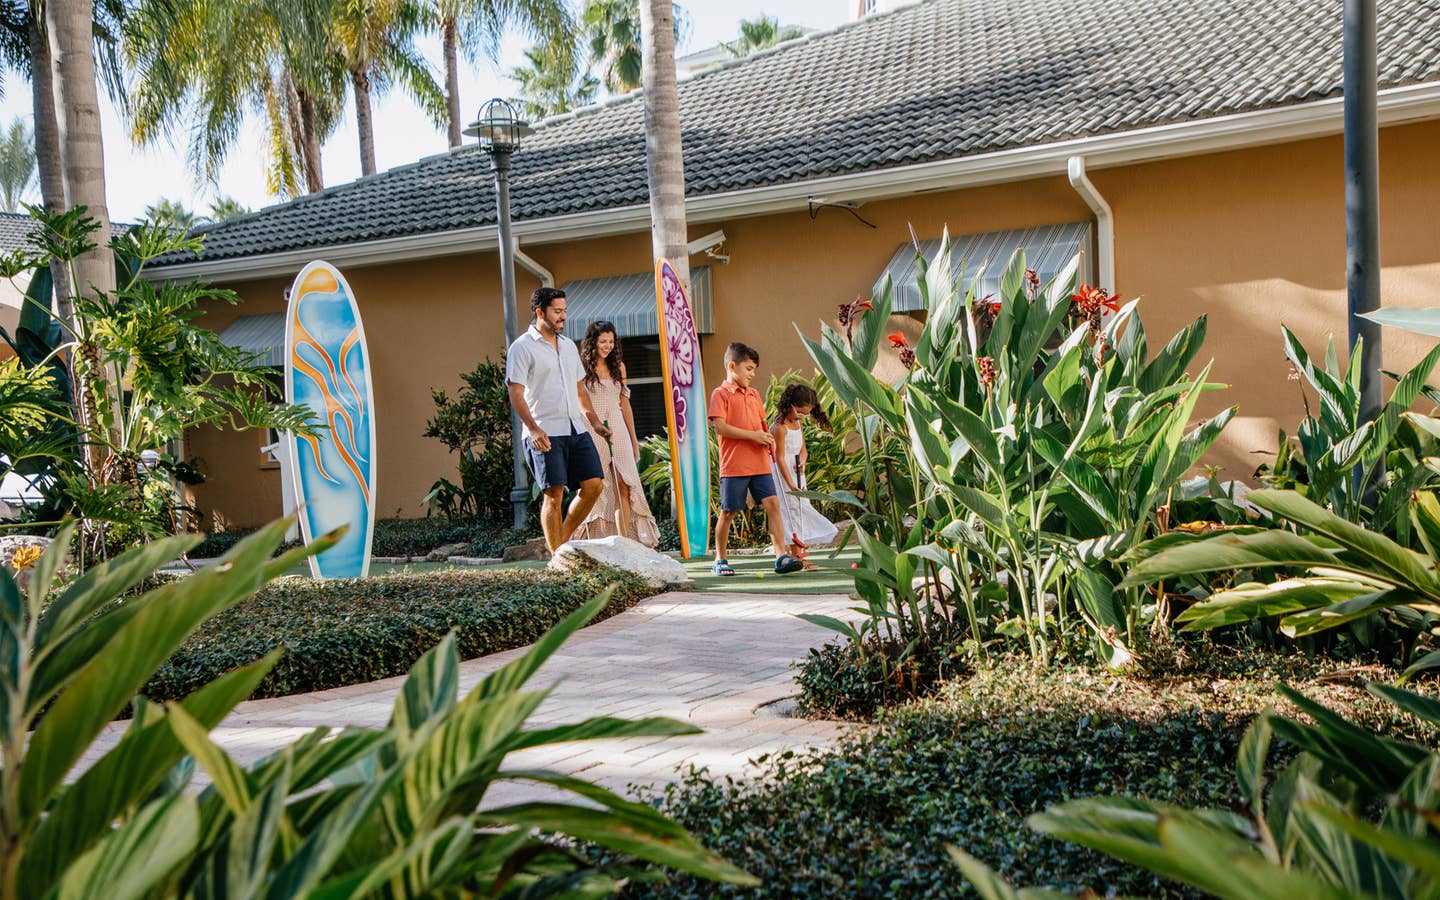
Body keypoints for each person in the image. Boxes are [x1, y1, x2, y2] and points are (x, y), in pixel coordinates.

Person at [506, 287, 610, 553]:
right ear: (540, 312)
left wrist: (594, 422)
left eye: (564, 311)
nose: (563, 316)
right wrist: (533, 429)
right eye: (557, 311)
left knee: (594, 485)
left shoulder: (567, 346)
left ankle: (560, 541)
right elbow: (515, 393)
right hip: (544, 431)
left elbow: (579, 390)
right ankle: (557, 559)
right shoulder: (521, 348)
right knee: (554, 495)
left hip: (575, 428)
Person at [708, 342, 803, 576]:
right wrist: (754, 436)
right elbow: (720, 427)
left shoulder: (754, 394)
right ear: (732, 366)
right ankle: (720, 560)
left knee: (773, 504)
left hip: (759, 462)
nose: (752, 374)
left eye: (754, 370)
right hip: (734, 465)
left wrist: (767, 441)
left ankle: (781, 556)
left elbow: (761, 425)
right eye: (749, 368)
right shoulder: (720, 394)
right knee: (729, 512)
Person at [576, 321, 659, 546]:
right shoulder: (581, 368)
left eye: (611, 341)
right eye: (603, 341)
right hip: (593, 429)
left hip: (618, 426)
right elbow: (582, 403)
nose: (607, 346)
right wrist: (593, 425)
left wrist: (634, 440)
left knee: (625, 482)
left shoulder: (619, 367)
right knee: (598, 486)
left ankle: (625, 543)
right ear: (592, 342)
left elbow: (625, 404)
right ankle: (593, 540)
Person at [769, 382, 839, 570]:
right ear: (788, 405)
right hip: (782, 475)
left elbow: (802, 449)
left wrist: (803, 462)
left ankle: (799, 555)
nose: (802, 416)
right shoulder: (779, 427)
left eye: (806, 413)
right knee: (789, 512)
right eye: (799, 412)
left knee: (801, 509)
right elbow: (779, 458)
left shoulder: (797, 424)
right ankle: (795, 556)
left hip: (796, 472)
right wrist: (790, 483)